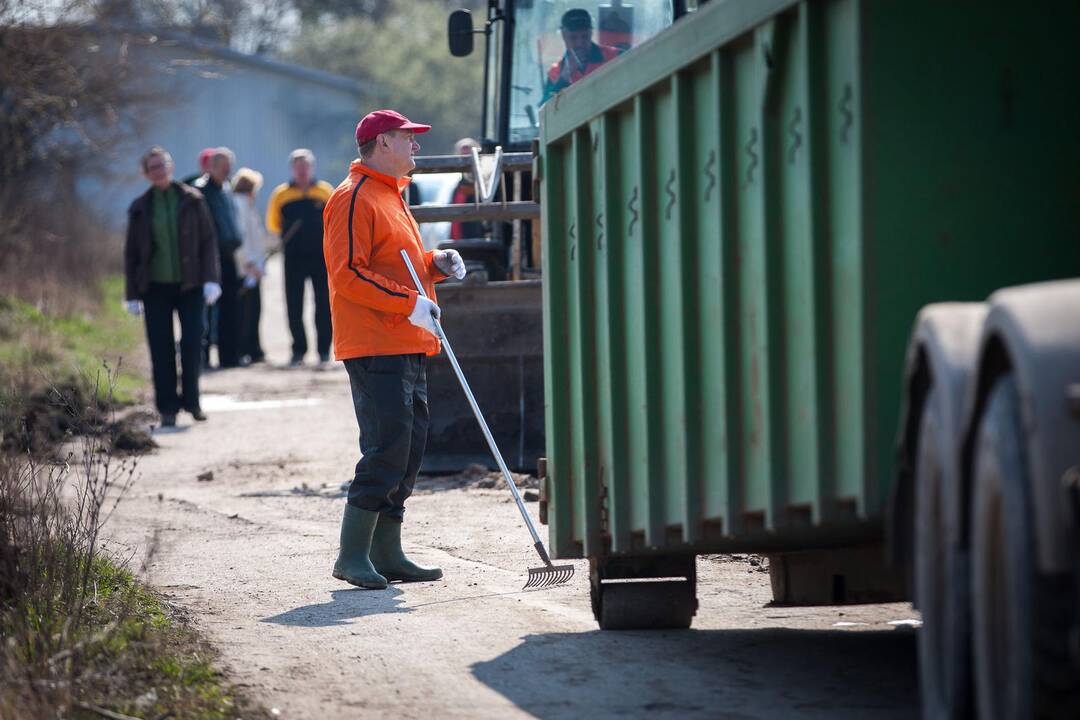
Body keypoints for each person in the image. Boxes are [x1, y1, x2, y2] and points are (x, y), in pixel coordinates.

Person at [323, 109, 467, 589]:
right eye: (409, 139)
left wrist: (436, 263)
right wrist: (410, 303)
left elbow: (399, 264)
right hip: (373, 341)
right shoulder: (353, 197)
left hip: (406, 339)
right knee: (386, 446)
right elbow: (349, 272)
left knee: (409, 448)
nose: (416, 147)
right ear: (383, 143)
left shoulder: (391, 196)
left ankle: (387, 552)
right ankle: (352, 555)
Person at [124, 146, 221, 427]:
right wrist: (132, 295)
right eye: (153, 167)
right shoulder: (141, 207)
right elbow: (131, 254)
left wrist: (211, 279)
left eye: (162, 164)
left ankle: (192, 402)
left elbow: (208, 241)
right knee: (160, 347)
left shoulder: (192, 199)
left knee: (192, 343)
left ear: (171, 165)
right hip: (154, 287)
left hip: (190, 285)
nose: (159, 170)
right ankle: (167, 407)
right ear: (146, 173)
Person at [265, 149, 335, 367]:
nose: (302, 170)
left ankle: (324, 350)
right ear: (292, 169)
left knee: (324, 303)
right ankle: (299, 350)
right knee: (293, 304)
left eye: (305, 166)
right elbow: (273, 223)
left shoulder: (324, 191)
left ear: (312, 167)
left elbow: (334, 220)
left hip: (320, 256)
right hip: (293, 257)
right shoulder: (281, 194)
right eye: (298, 166)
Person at [193, 148, 243, 368]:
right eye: (223, 167)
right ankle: (202, 358)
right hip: (210, 257)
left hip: (229, 255)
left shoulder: (227, 189)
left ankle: (229, 357)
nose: (227, 171)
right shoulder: (200, 191)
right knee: (207, 309)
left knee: (231, 308)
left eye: (229, 167)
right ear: (211, 167)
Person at [542, 8, 621, 103]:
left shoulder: (615, 56)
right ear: (563, 35)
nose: (580, 43)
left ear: (591, 33)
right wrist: (564, 77)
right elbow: (544, 110)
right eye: (573, 38)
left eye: (585, 37)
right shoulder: (555, 72)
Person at [231, 167, 267, 365]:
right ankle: (246, 349)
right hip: (247, 269)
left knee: (254, 311)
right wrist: (250, 264)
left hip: (253, 267)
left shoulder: (245, 204)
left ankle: (254, 349)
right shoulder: (240, 205)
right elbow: (241, 239)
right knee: (247, 313)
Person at [449, 137, 485, 241]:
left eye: (468, 155)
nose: (465, 159)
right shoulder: (458, 187)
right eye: (462, 156)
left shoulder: (486, 183)